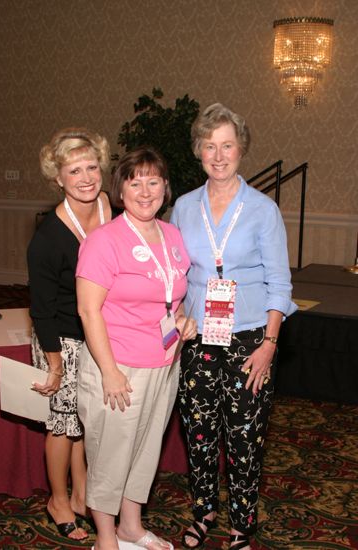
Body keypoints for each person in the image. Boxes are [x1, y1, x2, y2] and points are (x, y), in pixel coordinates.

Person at [170, 103, 297, 550]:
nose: (218, 155)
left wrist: (269, 344)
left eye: (227, 145)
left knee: (244, 438)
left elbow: (280, 282)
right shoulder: (184, 208)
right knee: (199, 432)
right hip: (199, 338)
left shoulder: (263, 210)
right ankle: (203, 512)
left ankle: (243, 524)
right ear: (198, 151)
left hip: (249, 339)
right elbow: (174, 273)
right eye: (209, 146)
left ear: (241, 149)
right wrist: (178, 314)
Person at [75, 147, 197, 550]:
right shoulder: (103, 241)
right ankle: (106, 537)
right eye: (134, 181)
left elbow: (172, 298)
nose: (145, 191)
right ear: (120, 189)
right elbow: (89, 311)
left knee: (144, 450)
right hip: (119, 367)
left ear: (165, 187)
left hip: (164, 363)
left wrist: (182, 320)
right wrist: (109, 371)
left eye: (153, 181)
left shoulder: (173, 236)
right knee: (110, 454)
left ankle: (131, 525)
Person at [27, 127, 112, 541]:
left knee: (85, 419)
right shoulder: (47, 237)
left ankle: (81, 495)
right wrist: (55, 364)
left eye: (91, 166)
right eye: (73, 170)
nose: (85, 177)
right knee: (61, 423)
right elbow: (41, 309)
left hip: (96, 332)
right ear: (58, 178)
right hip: (59, 339)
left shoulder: (108, 206)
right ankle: (57, 500)